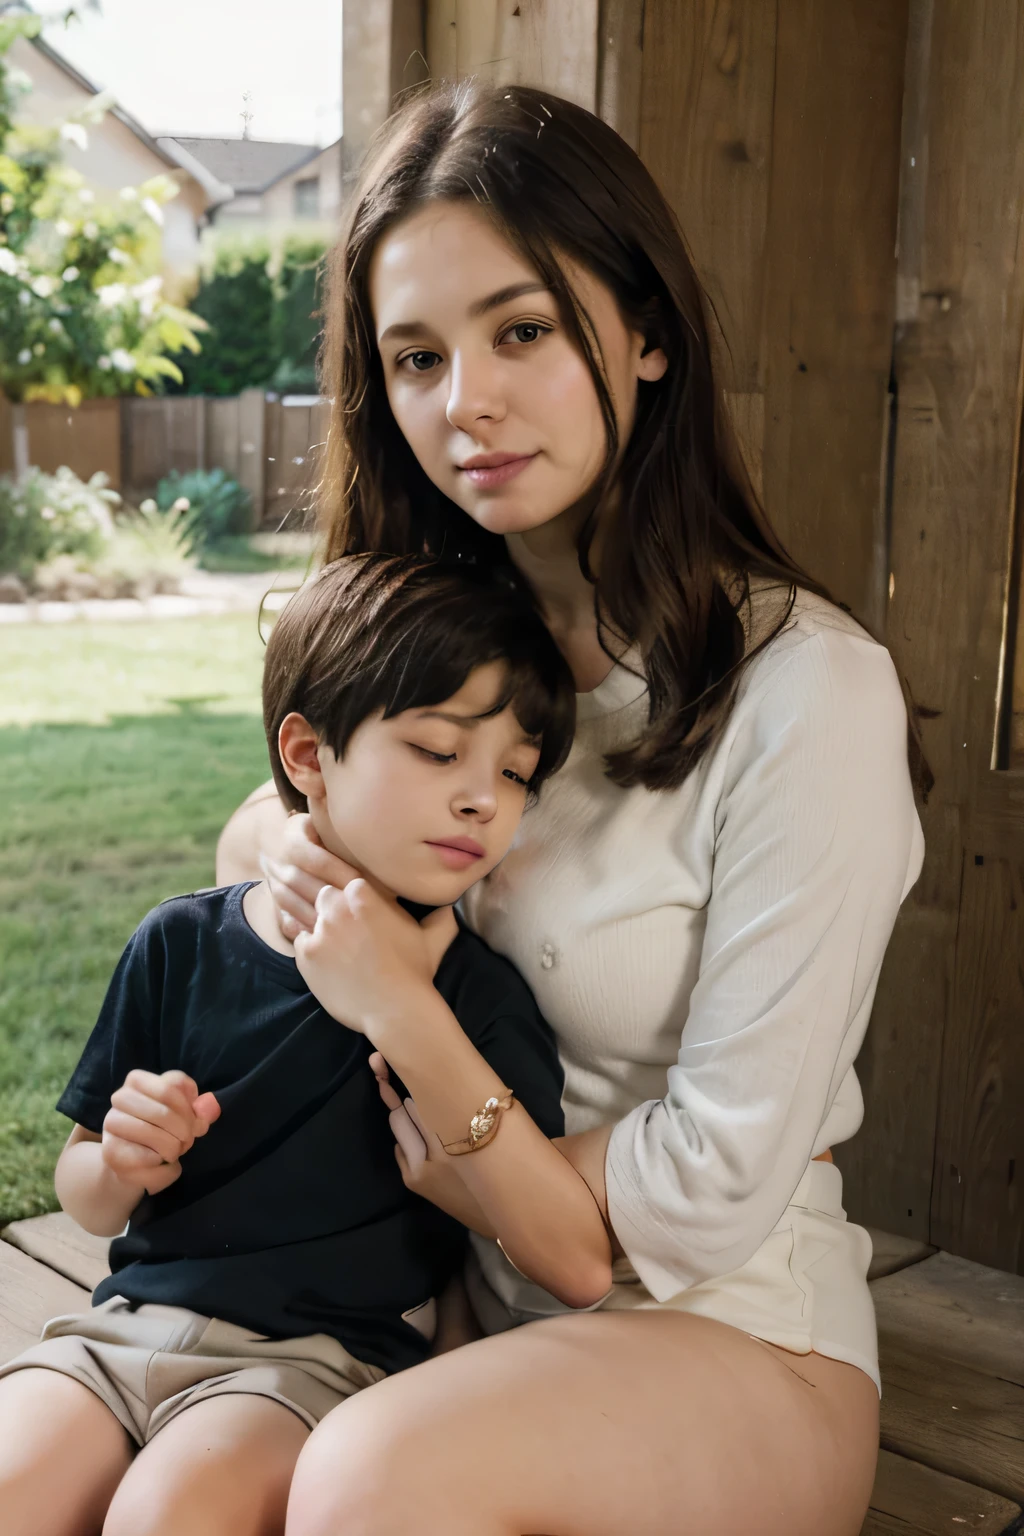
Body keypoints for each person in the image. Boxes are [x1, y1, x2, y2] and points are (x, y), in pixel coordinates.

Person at [220, 81, 926, 1536]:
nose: (461, 398)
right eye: (414, 356)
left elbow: (723, 1182)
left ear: (647, 332)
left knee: (368, 1478)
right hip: (467, 1301)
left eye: (521, 329)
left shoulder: (810, 695)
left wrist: (462, 1119)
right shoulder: (465, 661)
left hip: (731, 1334)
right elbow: (259, 836)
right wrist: (302, 864)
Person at [0, 552, 588, 1536]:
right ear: (309, 757)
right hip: (114, 1335)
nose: (483, 798)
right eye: (440, 752)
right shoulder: (179, 942)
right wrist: (123, 1158)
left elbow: (533, 1236)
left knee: (162, 1516)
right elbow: (88, 1196)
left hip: (305, 1369)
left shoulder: (477, 1006)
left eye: (516, 773)